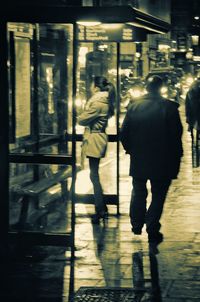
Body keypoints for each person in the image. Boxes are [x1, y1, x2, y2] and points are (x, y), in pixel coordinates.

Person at [120, 75, 183, 244]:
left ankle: (136, 223)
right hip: (163, 160)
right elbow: (176, 136)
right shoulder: (169, 108)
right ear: (161, 88)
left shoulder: (133, 107)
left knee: (139, 191)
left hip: (139, 158)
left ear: (147, 88)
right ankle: (152, 225)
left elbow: (124, 133)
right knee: (158, 194)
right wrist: (177, 158)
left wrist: (131, 150)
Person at [77, 76, 115, 224]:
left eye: (92, 86)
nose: (90, 89)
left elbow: (82, 120)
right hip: (98, 137)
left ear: (97, 88)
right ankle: (102, 207)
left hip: (95, 139)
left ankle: (100, 209)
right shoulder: (104, 101)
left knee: (94, 176)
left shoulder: (97, 103)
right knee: (94, 175)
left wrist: (80, 114)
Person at [185, 76, 200, 147]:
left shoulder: (193, 91)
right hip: (193, 111)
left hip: (195, 111)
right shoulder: (190, 92)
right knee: (191, 123)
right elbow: (187, 104)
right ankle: (193, 137)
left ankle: (195, 138)